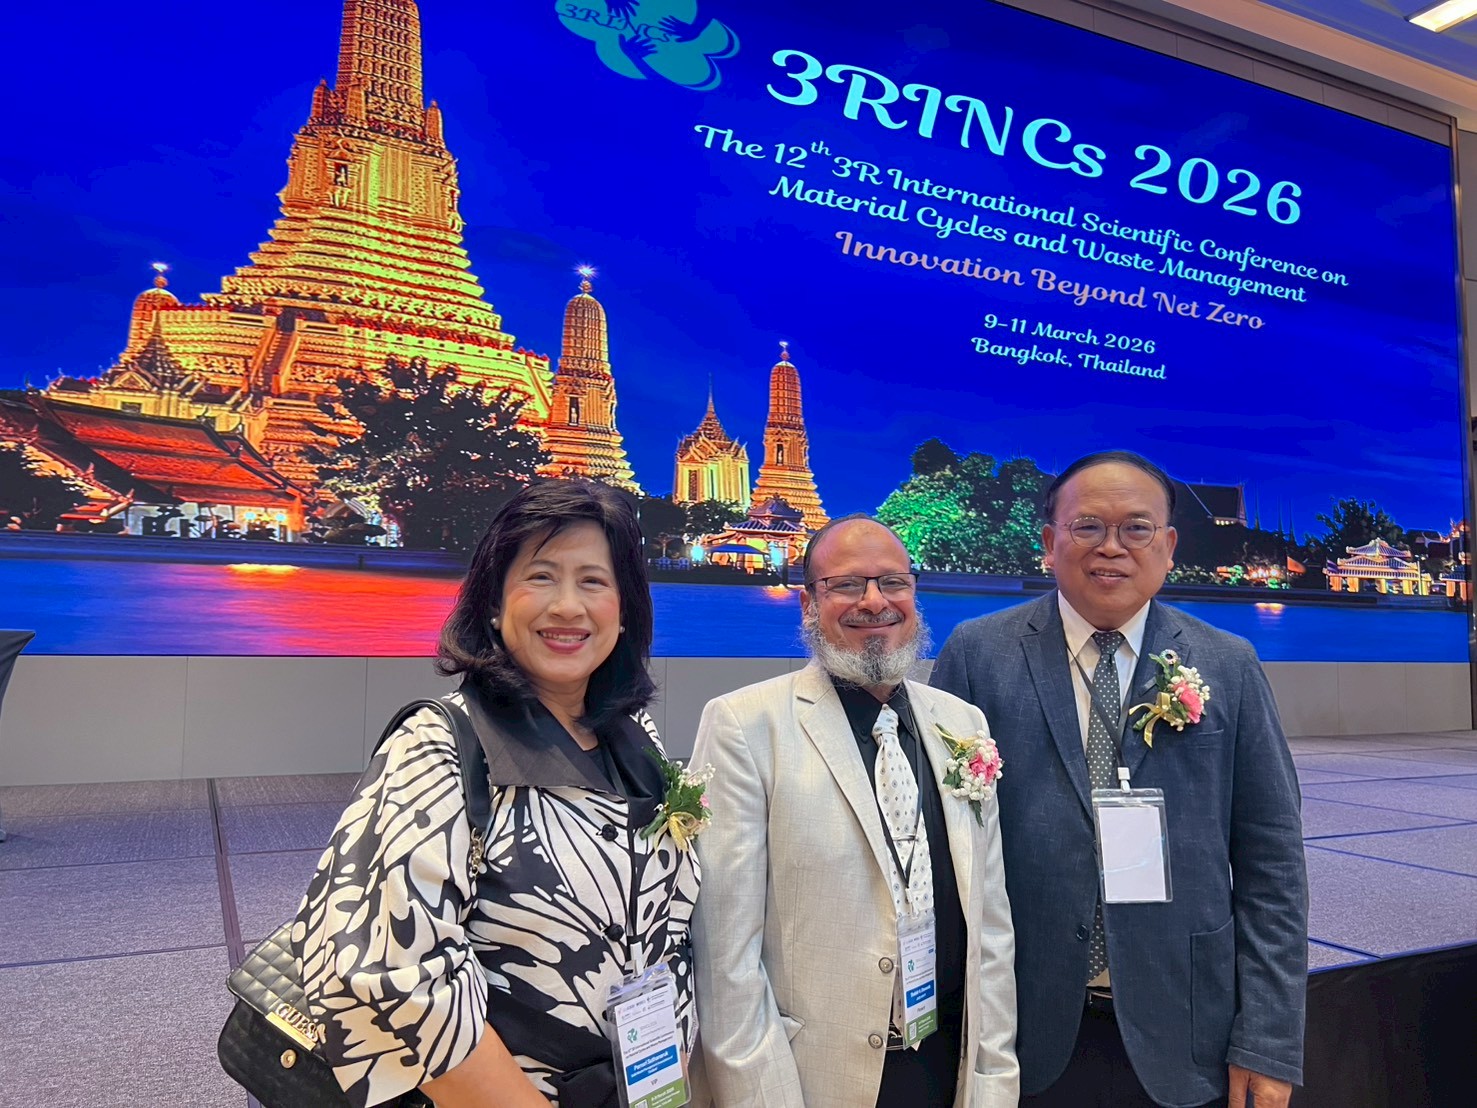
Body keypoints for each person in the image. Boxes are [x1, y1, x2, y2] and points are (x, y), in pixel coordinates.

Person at [291, 481, 702, 1107]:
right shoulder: (439, 745)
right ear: (493, 601)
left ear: (625, 611)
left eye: (594, 581)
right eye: (541, 576)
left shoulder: (633, 736)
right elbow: (388, 976)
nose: (568, 606)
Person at [931, 451, 1307, 1108]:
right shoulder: (977, 654)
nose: (1112, 547)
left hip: (1188, 1027)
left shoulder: (1229, 663)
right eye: (1087, 527)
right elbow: (940, 848)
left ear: (1168, 547)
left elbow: (1272, 862)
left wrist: (1267, 1040)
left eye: (1136, 528)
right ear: (1049, 542)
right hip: (1019, 1028)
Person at [690, 514, 1018, 1108]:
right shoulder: (745, 725)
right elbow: (725, 956)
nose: (874, 602)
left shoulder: (961, 723)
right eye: (845, 585)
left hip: (948, 1065)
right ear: (809, 605)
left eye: (893, 583)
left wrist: (993, 1081)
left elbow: (990, 923)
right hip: (815, 1078)